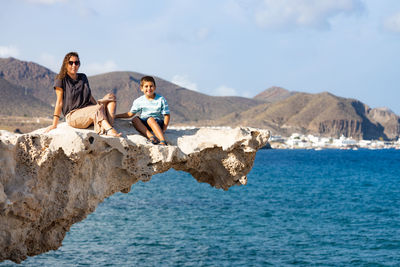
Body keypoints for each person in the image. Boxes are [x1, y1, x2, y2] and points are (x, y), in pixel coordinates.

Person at [44, 52, 121, 137]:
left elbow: (89, 96)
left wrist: (99, 107)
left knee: (111, 97)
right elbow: (59, 102)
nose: (74, 65)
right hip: (73, 115)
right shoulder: (61, 79)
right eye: (71, 63)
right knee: (97, 109)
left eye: (76, 63)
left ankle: (106, 125)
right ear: (66, 64)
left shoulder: (83, 77)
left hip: (88, 109)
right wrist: (54, 124)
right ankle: (109, 130)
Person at [115, 76, 170, 145]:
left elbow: (167, 115)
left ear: (155, 87)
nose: (149, 88)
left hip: (157, 122)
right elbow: (130, 114)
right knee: (135, 119)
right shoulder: (139, 101)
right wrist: (116, 116)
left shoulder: (161, 99)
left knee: (150, 119)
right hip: (145, 122)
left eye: (151, 86)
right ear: (141, 88)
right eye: (146, 86)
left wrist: (164, 129)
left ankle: (162, 141)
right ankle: (151, 137)